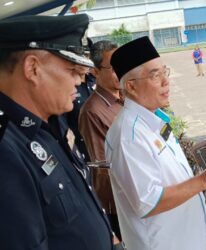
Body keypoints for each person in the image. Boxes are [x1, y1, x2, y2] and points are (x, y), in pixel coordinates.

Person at [0, 14, 124, 250]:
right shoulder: (6, 150)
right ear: (33, 68)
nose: (79, 81)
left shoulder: (46, 126)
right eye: (72, 71)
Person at [106, 36, 206, 250]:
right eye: (155, 75)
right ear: (131, 86)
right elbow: (148, 202)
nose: (166, 82)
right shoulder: (128, 135)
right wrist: (205, 180)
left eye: (164, 71)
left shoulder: (152, 119)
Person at [78, 40, 123, 240]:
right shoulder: (92, 111)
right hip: (120, 202)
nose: (121, 72)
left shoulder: (126, 97)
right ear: (95, 72)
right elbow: (102, 164)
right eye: (113, 68)